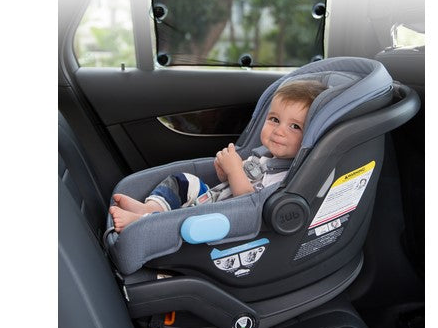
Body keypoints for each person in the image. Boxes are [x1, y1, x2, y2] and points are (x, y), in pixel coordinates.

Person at [109, 79, 326, 232]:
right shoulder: (264, 156)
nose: (279, 131)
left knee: (184, 221)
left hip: (222, 220)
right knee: (183, 181)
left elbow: (249, 206)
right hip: (213, 198)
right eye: (274, 120)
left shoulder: (287, 177)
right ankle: (150, 209)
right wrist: (224, 174)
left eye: (295, 126)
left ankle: (142, 223)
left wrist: (234, 171)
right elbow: (235, 182)